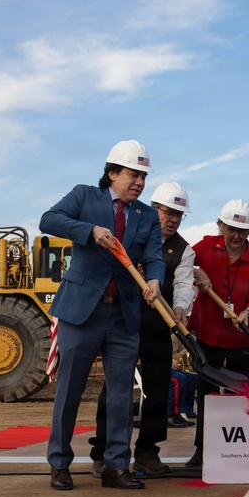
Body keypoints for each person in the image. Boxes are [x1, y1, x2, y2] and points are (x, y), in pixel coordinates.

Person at [40, 139, 164, 490]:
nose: (139, 182)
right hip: (81, 312)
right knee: (70, 392)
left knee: (123, 396)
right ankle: (60, 464)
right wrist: (89, 231)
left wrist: (154, 280)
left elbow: (154, 256)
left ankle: (115, 467)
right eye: (133, 174)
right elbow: (49, 220)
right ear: (112, 173)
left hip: (124, 315)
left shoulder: (147, 215)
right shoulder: (84, 196)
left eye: (143, 176)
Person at [88, 181, 196, 478]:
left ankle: (147, 452)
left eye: (178, 215)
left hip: (157, 325)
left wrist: (180, 309)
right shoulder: (129, 234)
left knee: (158, 390)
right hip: (121, 322)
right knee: (114, 390)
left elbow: (185, 283)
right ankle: (101, 452)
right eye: (168, 212)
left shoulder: (183, 249)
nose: (173, 219)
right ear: (153, 209)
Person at [187, 199, 249, 469]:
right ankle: (202, 451)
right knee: (206, 393)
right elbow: (182, 262)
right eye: (231, 229)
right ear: (221, 225)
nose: (236, 236)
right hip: (209, 333)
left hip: (241, 337)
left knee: (238, 394)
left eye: (242, 231)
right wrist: (196, 271)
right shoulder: (206, 245)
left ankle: (237, 452)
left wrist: (248, 311)